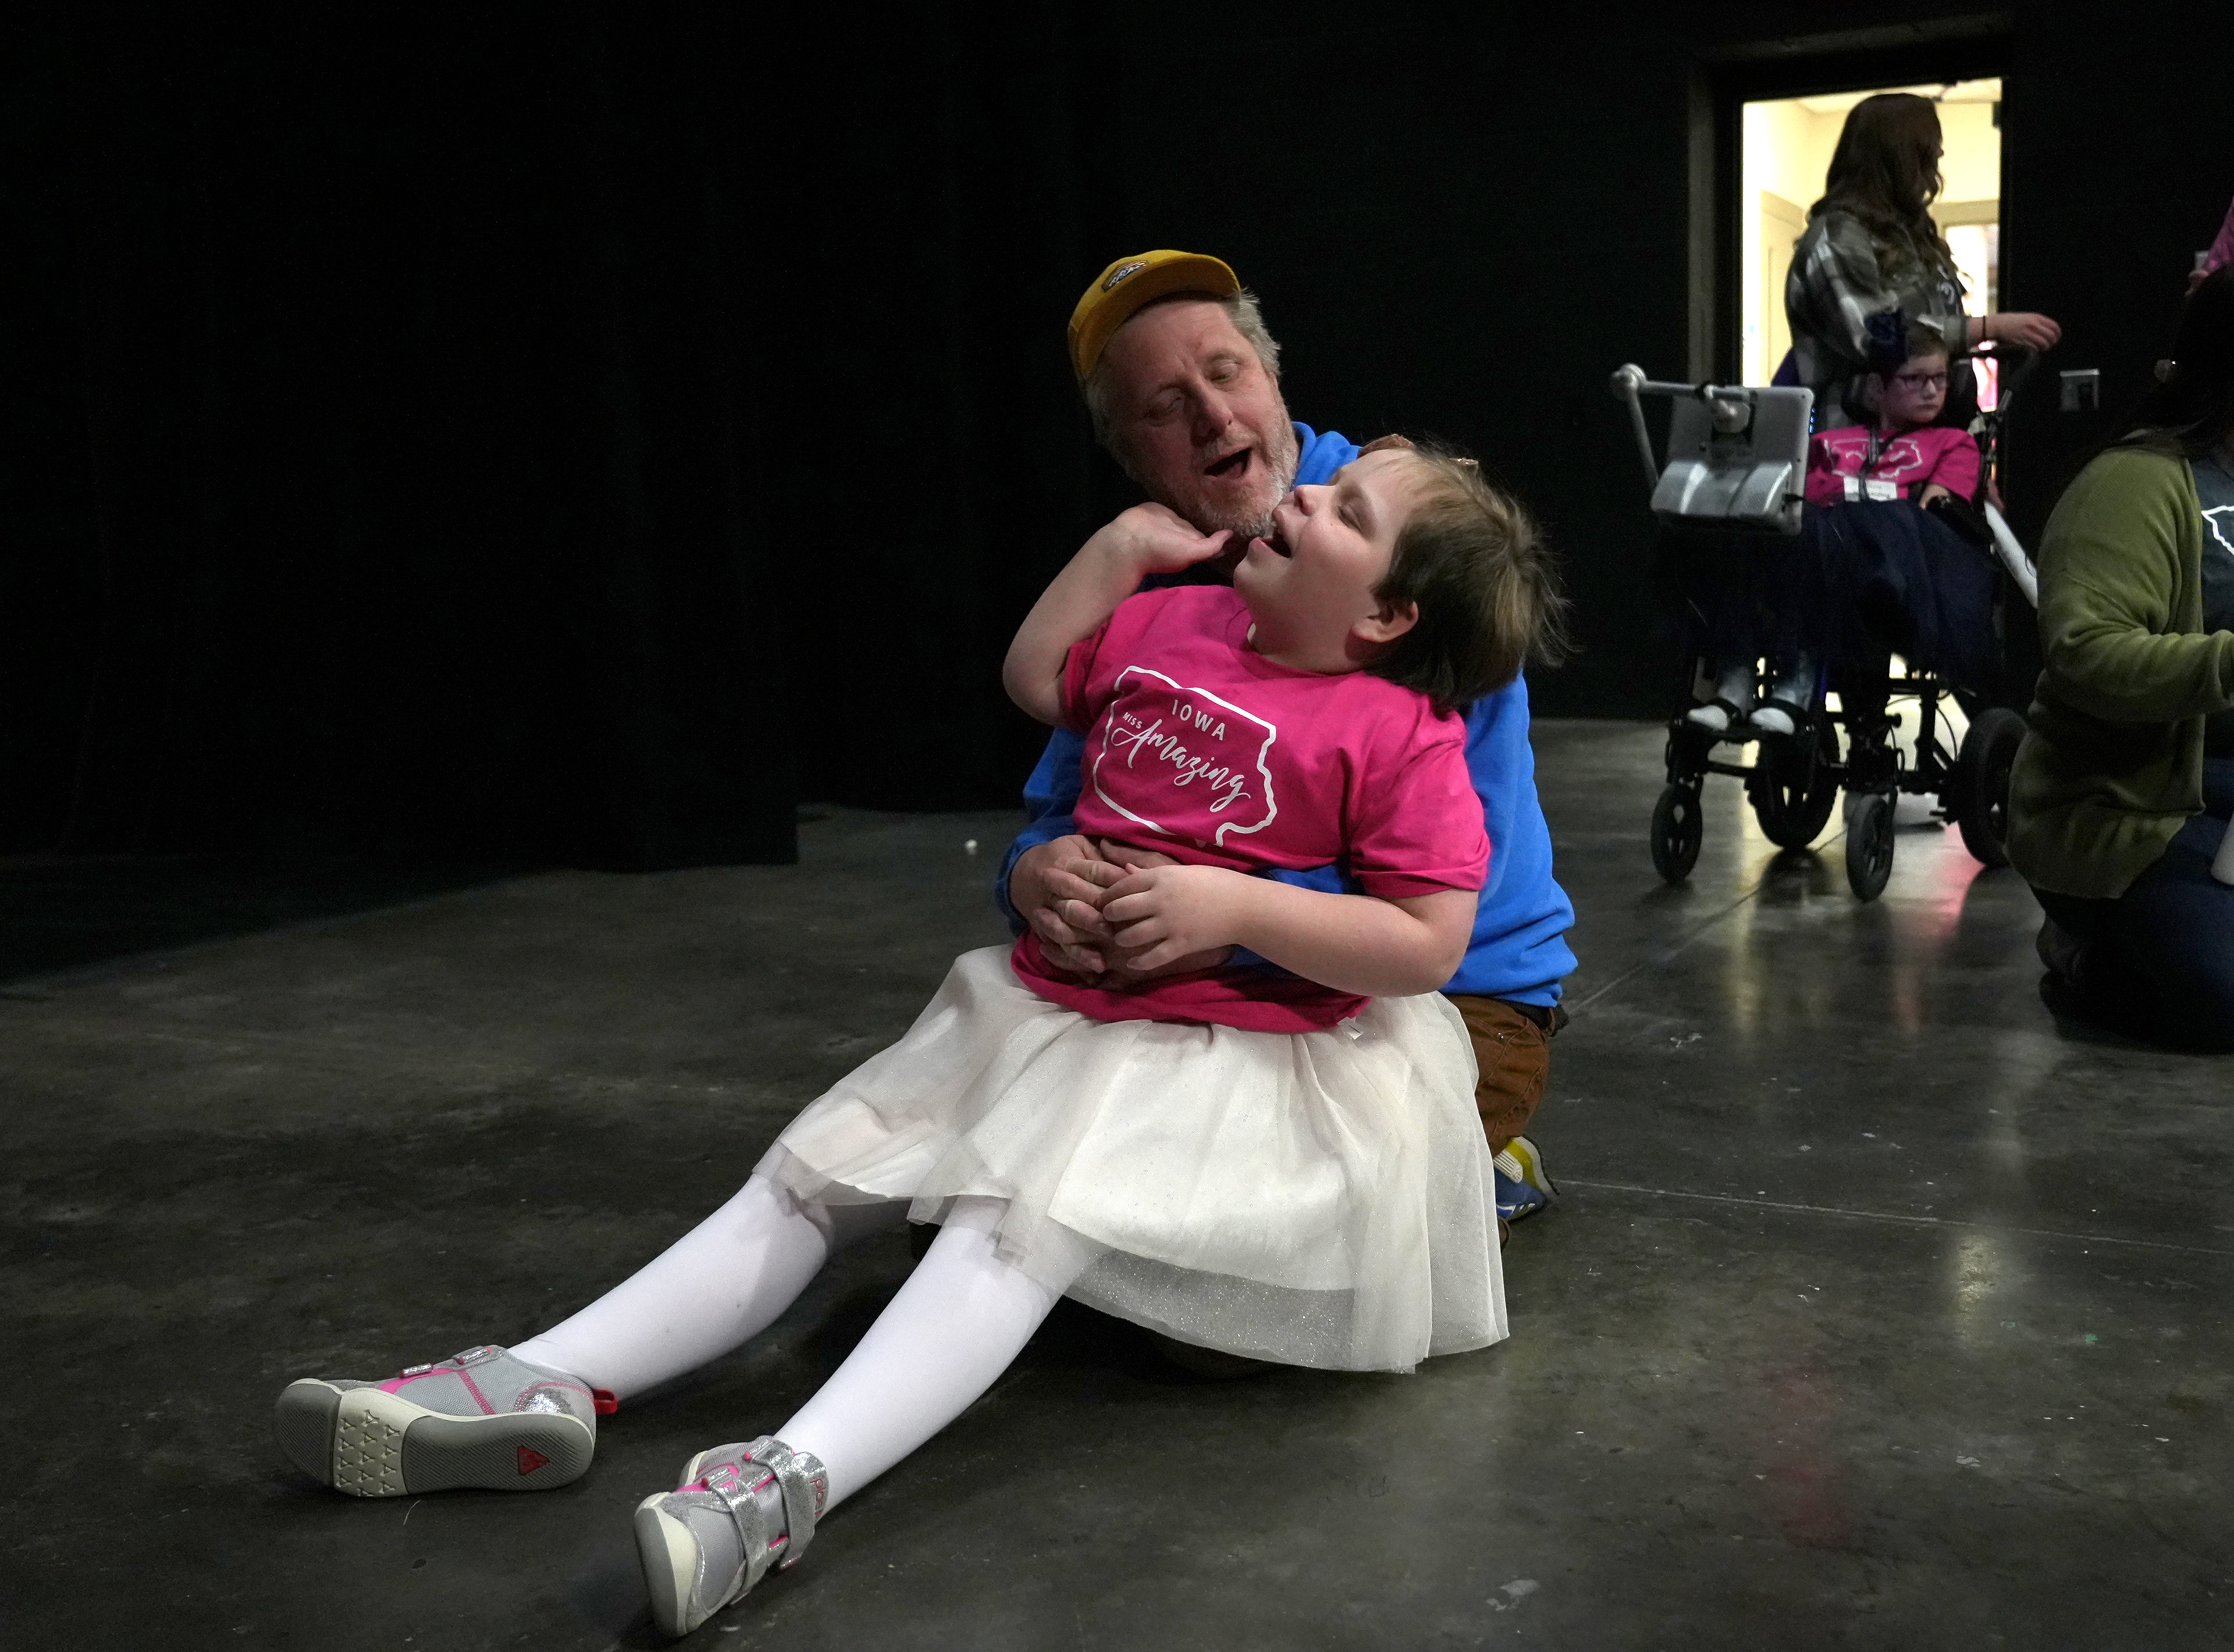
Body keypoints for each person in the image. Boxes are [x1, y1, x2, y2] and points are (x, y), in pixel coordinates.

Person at [272, 442, 1568, 1641]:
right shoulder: (1181, 618)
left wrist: (1231, 907)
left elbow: (1426, 941)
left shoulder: (1398, 736)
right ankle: (550, 1372)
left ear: (1388, 616)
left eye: (1349, 513)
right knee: (816, 1171)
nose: (1301, 496)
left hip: (1208, 1054)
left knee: (1006, 1225)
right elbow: (1034, 674)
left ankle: (787, 1481)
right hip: (1048, 1007)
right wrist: (1118, 553)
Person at [1004, 251, 1575, 1226]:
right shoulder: (1147, 577)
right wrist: (1036, 876)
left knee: (1214, 1291)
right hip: (1210, 997)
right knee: (1044, 1218)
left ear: (1273, 377)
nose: (1214, 417)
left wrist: (1220, 905)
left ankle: (1464, 1163)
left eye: (1226, 372)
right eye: (1163, 405)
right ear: (1131, 458)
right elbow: (1070, 795)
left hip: (1440, 1004)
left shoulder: (1401, 548)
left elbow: (1446, 902)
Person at [2010, 266, 2234, 1049]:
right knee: (2224, 996)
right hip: (2135, 813)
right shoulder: (2135, 483)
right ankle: (2083, 953)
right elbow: (2085, 655)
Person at [1784, 92, 2059, 430]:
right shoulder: (1838, 236)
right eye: (1930, 146)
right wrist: (1989, 328)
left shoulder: (1912, 235)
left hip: (1937, 444)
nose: (1939, 155)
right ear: (1898, 154)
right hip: (1864, 460)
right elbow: (1877, 336)